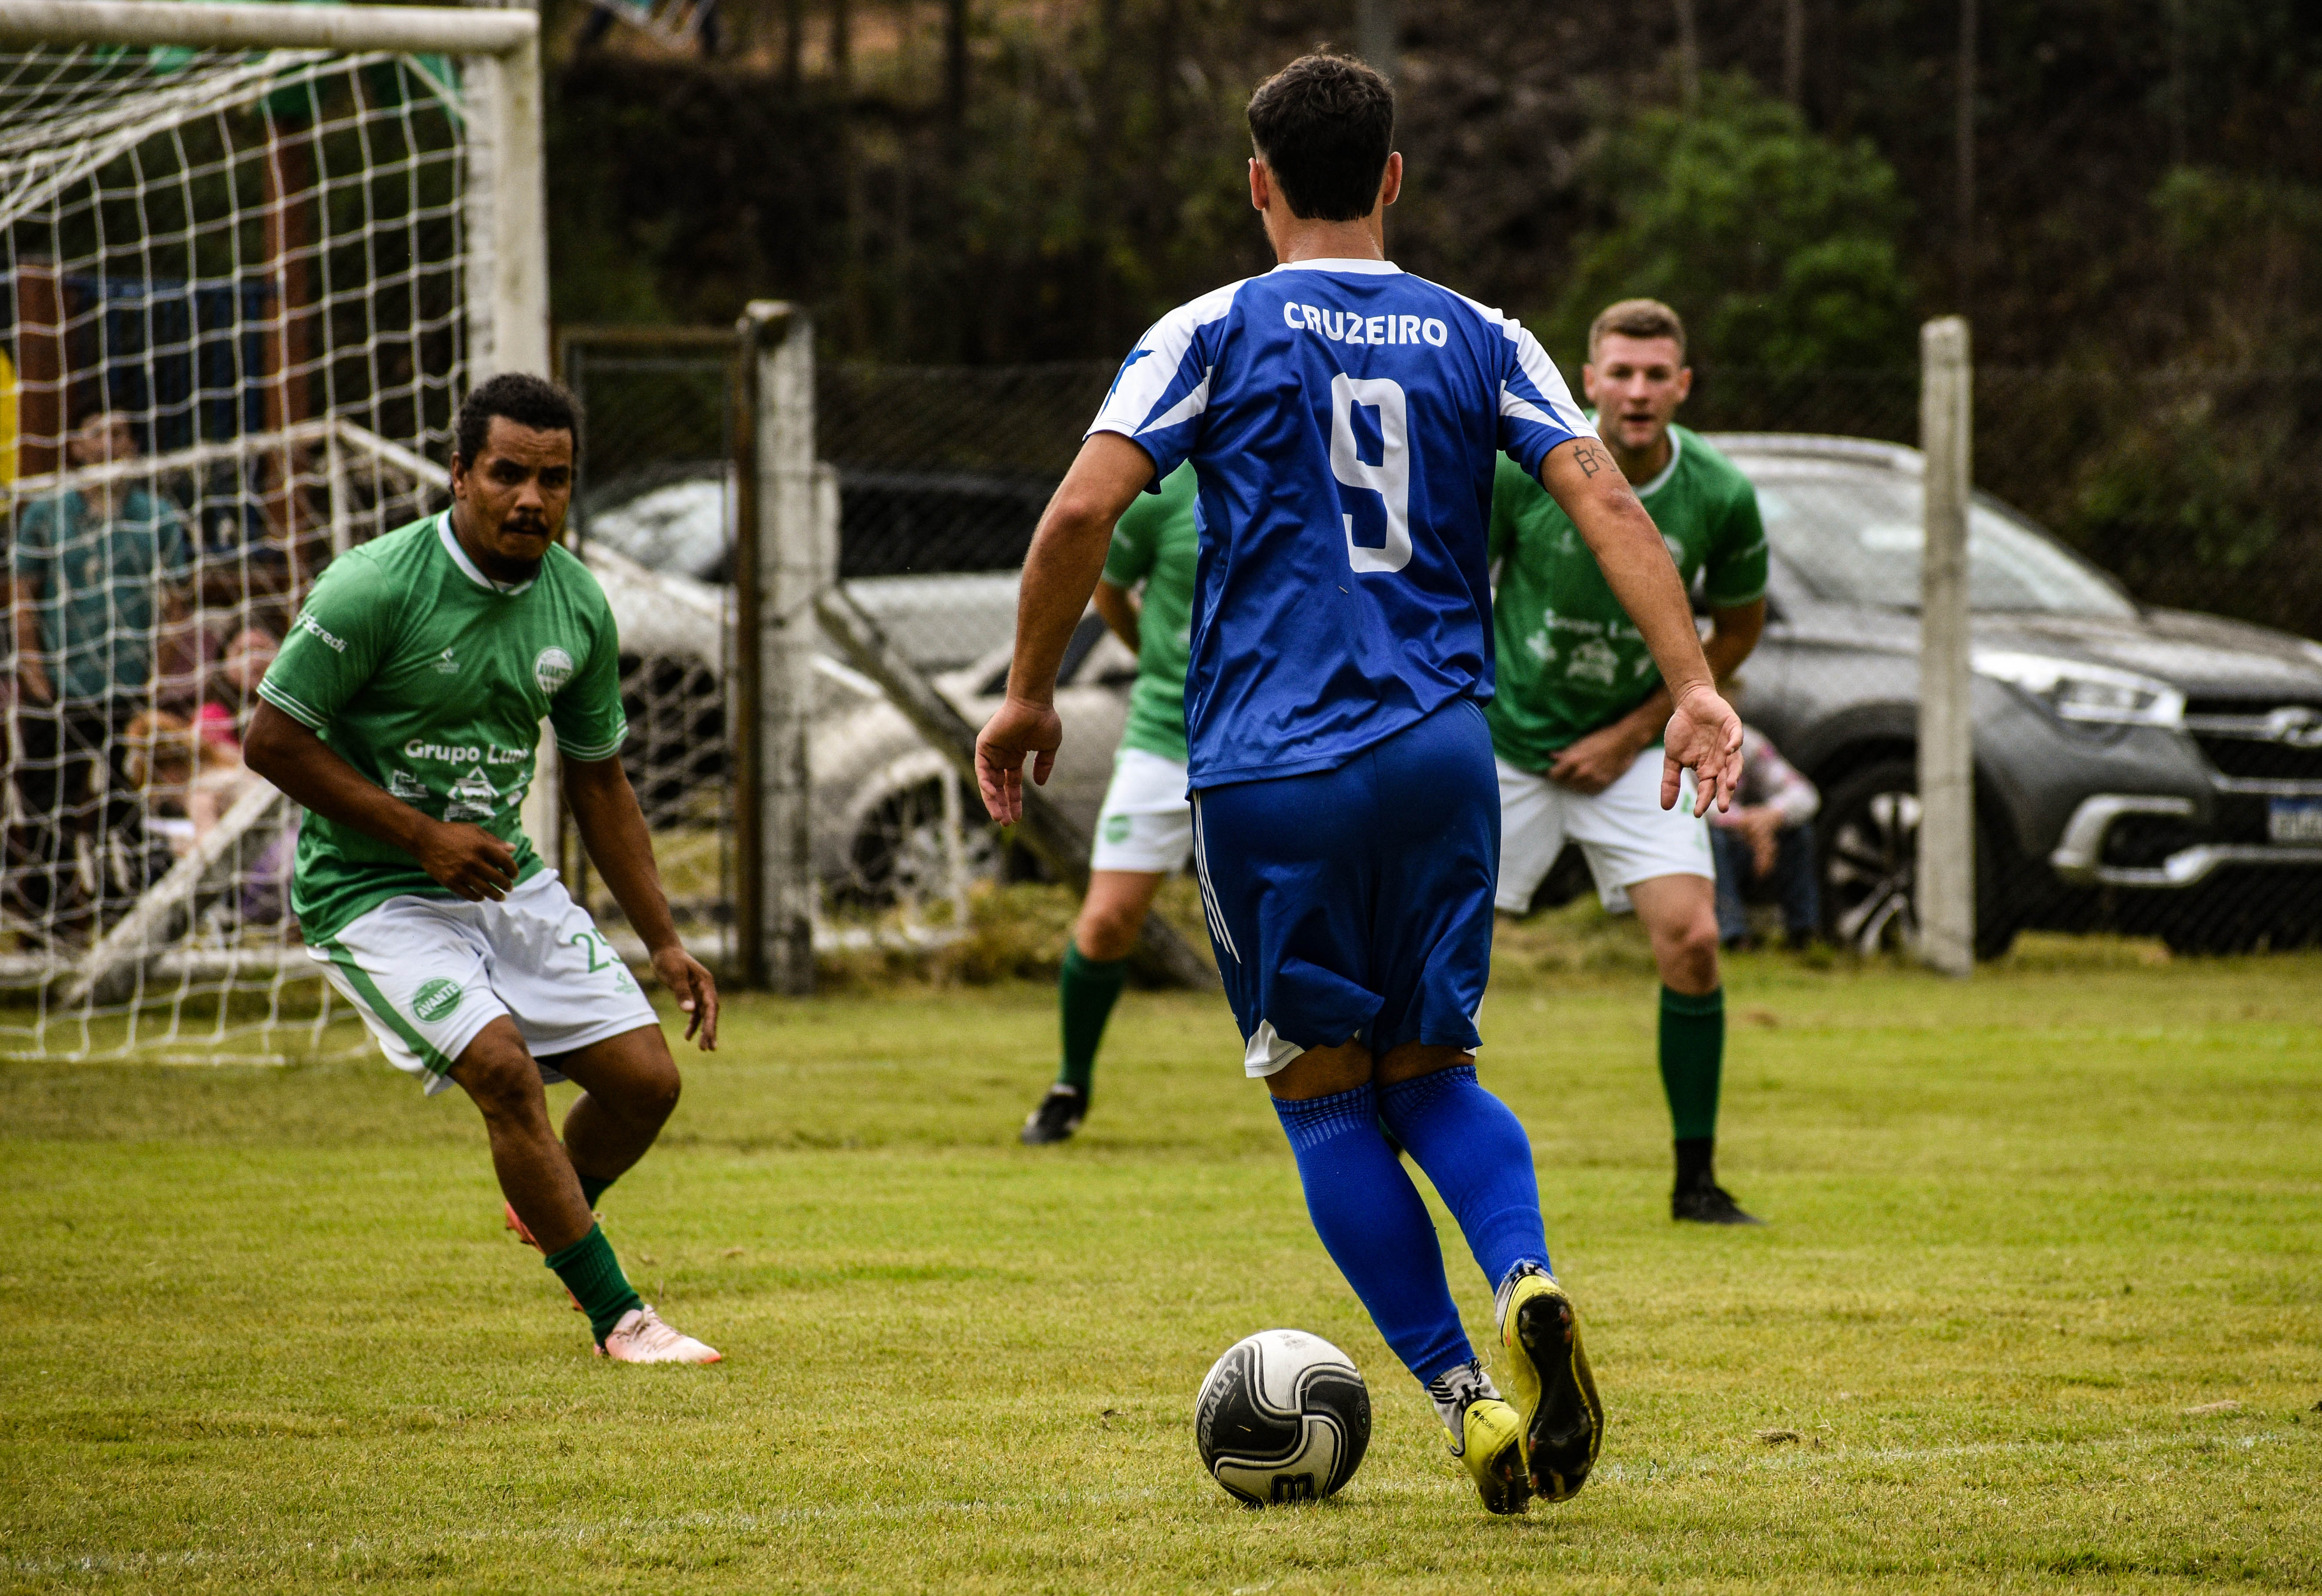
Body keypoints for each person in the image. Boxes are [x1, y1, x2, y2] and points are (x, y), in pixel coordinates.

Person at [974, 56, 1743, 1514]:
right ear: (1392, 179)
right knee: (1433, 1070)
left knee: (1327, 1106)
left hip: (1274, 768)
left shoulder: (1210, 326)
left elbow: (1082, 505)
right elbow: (1605, 501)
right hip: (1445, 752)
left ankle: (1463, 1404)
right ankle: (1522, 1272)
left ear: (1255, 183)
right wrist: (1693, 682)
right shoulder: (1482, 334)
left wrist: (1023, 694)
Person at [243, 373, 725, 1365]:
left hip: (504, 880)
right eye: (507, 473)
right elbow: (273, 741)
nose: (530, 499)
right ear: (459, 473)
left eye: (554, 479)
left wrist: (666, 938)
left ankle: (547, 1202)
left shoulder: (577, 601)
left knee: (646, 1082)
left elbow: (601, 782)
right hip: (371, 891)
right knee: (504, 1072)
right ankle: (620, 1318)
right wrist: (421, 836)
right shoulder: (374, 584)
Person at [1486, 298, 1771, 1227]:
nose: (1638, 392)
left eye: (1657, 376)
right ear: (1588, 381)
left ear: (1682, 387)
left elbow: (1739, 629)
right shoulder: (1521, 473)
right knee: (1439, 951)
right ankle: (1411, 1152)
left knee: (1692, 941)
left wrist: (1632, 730)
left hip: (1638, 753)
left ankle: (1695, 1181)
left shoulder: (1719, 495)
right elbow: (1450, 589)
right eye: (1622, 373)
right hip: (1510, 748)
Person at [1020, 461, 1198, 1145]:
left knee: (1304, 925)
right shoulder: (1162, 491)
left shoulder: (1297, 469)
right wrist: (1155, 656)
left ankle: (1360, 1091)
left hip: (1265, 745)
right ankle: (1070, 1084)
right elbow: (1109, 584)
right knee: (1105, 924)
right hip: (1163, 735)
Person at [7, 412, 192, 934]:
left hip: (128, 684)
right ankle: (45, 921)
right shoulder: (46, 514)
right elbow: (23, 595)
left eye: (118, 434)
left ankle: (128, 917)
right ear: (78, 447)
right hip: (59, 682)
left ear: (132, 447)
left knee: (126, 805)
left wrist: (158, 669)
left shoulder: (157, 517)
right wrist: (31, 666)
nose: (107, 444)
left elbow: (177, 601)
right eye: (96, 434)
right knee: (48, 803)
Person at [1709, 722, 1821, 949]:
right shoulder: (1679, 741)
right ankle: (1733, 936)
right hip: (1713, 853)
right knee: (1711, 839)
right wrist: (1748, 824)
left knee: (1798, 832)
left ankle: (1803, 935)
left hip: (1751, 849)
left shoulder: (1747, 742)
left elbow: (1806, 794)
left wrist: (1771, 817)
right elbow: (1688, 805)